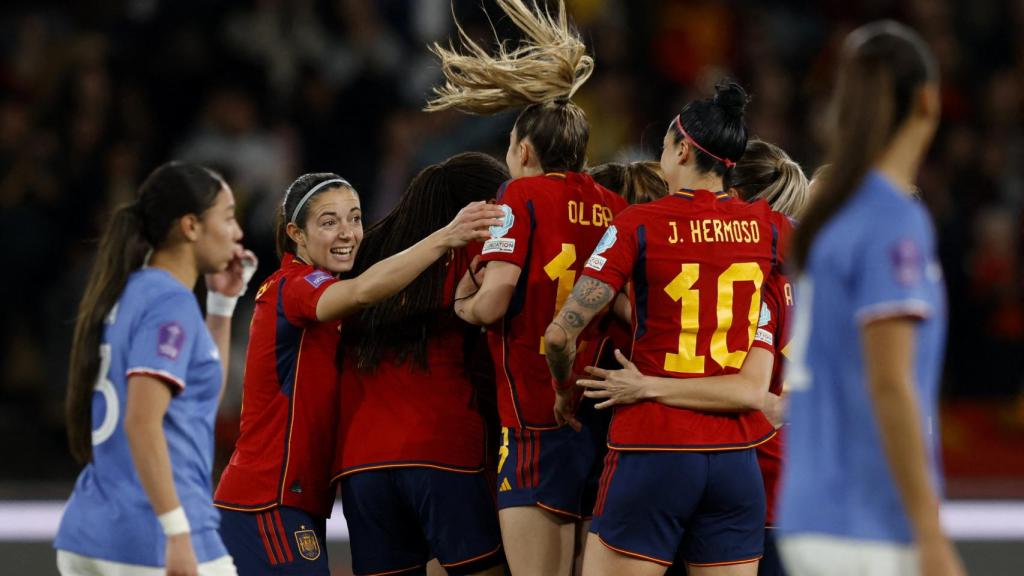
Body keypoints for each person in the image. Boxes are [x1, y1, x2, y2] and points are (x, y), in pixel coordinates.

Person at [545, 82, 790, 576]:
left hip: (651, 448)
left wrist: (563, 385)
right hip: (735, 459)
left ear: (682, 149)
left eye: (662, 145)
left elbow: (559, 334)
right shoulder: (770, 227)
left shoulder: (639, 223)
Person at [214, 173, 503, 575]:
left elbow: (378, 299)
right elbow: (364, 291)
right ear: (296, 233)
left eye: (354, 218)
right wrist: (446, 237)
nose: (347, 233)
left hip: (293, 499)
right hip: (266, 497)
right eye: (329, 222)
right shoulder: (294, 285)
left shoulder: (320, 298)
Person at [427, 1, 629, 573]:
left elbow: (494, 301)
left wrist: (462, 305)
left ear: (522, 151)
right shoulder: (614, 205)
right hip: (600, 414)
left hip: (536, 418)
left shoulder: (518, 196)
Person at [779, 21, 965, 576]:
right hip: (869, 521)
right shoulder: (893, 219)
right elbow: (888, 383)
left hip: (810, 513)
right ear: (928, 100)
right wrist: (929, 530)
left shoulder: (829, 220)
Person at [55, 161, 253, 576]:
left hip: (91, 531)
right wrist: (176, 532)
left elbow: (197, 402)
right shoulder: (170, 304)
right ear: (191, 226)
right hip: (152, 537)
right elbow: (142, 421)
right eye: (228, 217)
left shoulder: (134, 291)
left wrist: (221, 306)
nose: (238, 232)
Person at [333, 152, 509, 576]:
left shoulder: (365, 259)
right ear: (483, 205)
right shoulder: (478, 252)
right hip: (444, 449)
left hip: (361, 463)